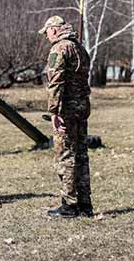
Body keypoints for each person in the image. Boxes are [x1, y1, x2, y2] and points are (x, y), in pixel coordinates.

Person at [38, 15, 94, 218]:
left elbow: (56, 81)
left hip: (66, 110)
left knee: (65, 155)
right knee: (81, 155)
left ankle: (69, 205)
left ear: (54, 29)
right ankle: (85, 204)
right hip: (81, 108)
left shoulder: (59, 48)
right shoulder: (80, 48)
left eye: (47, 32)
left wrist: (54, 111)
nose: (47, 37)